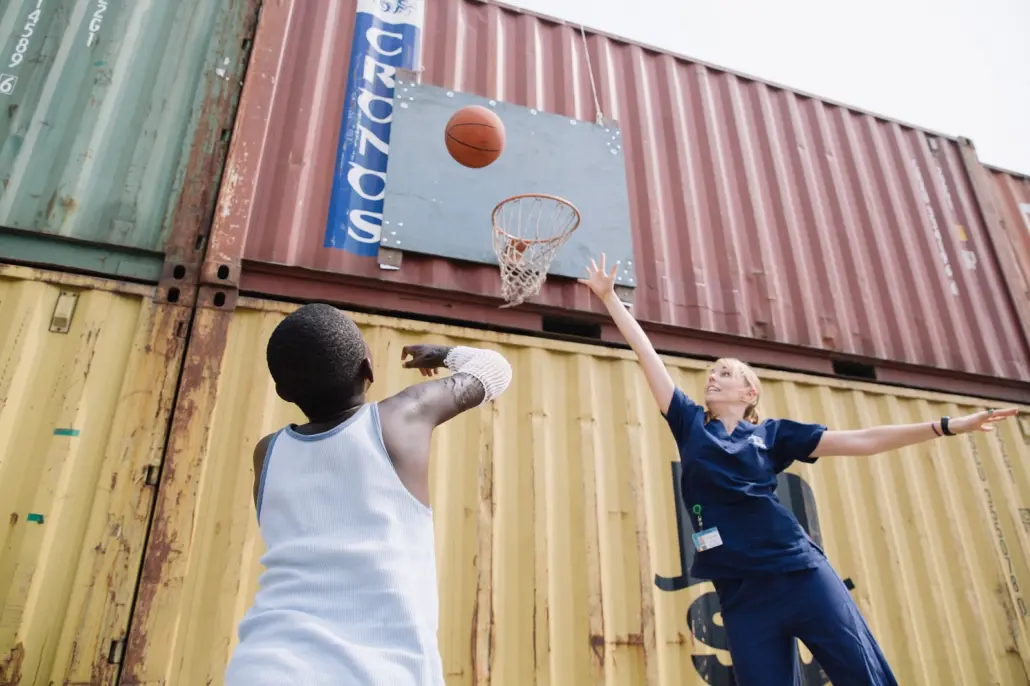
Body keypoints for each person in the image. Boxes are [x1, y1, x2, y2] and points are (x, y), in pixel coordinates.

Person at [579, 254, 1017, 686]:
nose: (712, 377)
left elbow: (862, 440)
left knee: (863, 674)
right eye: (711, 372)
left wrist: (946, 426)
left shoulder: (773, 434)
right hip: (741, 591)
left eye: (725, 372)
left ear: (749, 391)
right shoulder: (689, 423)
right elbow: (645, 352)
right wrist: (610, 299)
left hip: (800, 574)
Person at [224, 303, 513, 686]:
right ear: (368, 369)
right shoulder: (399, 419)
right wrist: (444, 354)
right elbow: (495, 370)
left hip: (262, 666)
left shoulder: (268, 453)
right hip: (378, 671)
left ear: (282, 391)